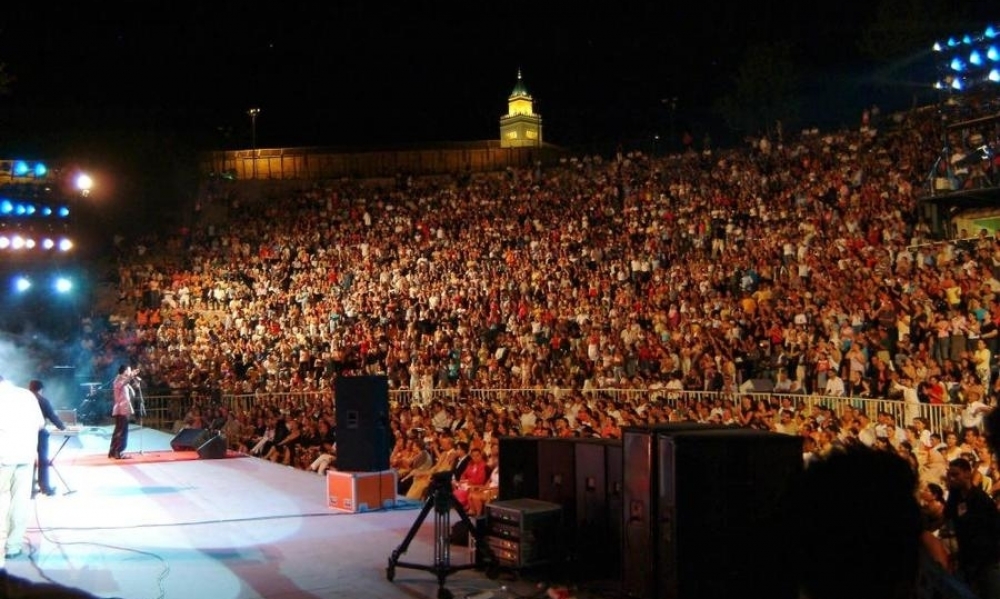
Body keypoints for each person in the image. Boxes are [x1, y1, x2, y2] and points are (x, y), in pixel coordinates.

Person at [0, 375, 45, 566]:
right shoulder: (27, 395)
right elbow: (40, 424)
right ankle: (13, 546)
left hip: (3, 456)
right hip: (26, 455)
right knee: (20, 500)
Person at [943, 457, 1000, 598]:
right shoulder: (955, 495)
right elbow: (948, 515)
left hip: (986, 558)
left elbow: (990, 529)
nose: (952, 478)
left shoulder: (981, 499)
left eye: (956, 474)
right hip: (966, 556)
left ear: (968, 473)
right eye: (950, 475)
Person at [28, 379, 66, 497]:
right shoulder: (42, 400)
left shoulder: (23, 400)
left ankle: (28, 487)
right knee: (43, 460)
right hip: (39, 433)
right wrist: (62, 427)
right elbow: (52, 416)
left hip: (25, 433)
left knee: (27, 460)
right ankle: (44, 487)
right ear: (40, 389)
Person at [108, 364, 137, 460]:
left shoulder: (123, 381)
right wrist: (131, 376)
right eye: (129, 370)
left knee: (120, 431)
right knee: (121, 431)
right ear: (124, 371)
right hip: (121, 409)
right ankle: (118, 451)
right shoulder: (118, 380)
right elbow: (123, 383)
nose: (130, 372)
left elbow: (128, 385)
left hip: (124, 409)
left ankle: (114, 451)